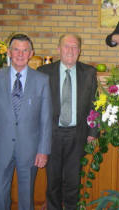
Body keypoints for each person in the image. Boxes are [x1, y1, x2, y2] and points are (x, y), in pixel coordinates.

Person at [0, 34, 52, 210]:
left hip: (30, 149)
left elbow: (45, 119)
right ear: (9, 52)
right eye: (16, 49)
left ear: (31, 54)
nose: (20, 54)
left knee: (26, 195)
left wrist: (43, 150)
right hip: (0, 148)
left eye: (25, 50)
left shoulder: (42, 81)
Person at [38, 34, 98, 210]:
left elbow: (96, 105)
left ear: (79, 51)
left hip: (77, 134)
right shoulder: (44, 72)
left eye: (74, 47)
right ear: (58, 49)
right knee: (53, 180)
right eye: (66, 46)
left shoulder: (88, 73)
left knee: (73, 181)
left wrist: (92, 132)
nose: (70, 50)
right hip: (52, 134)